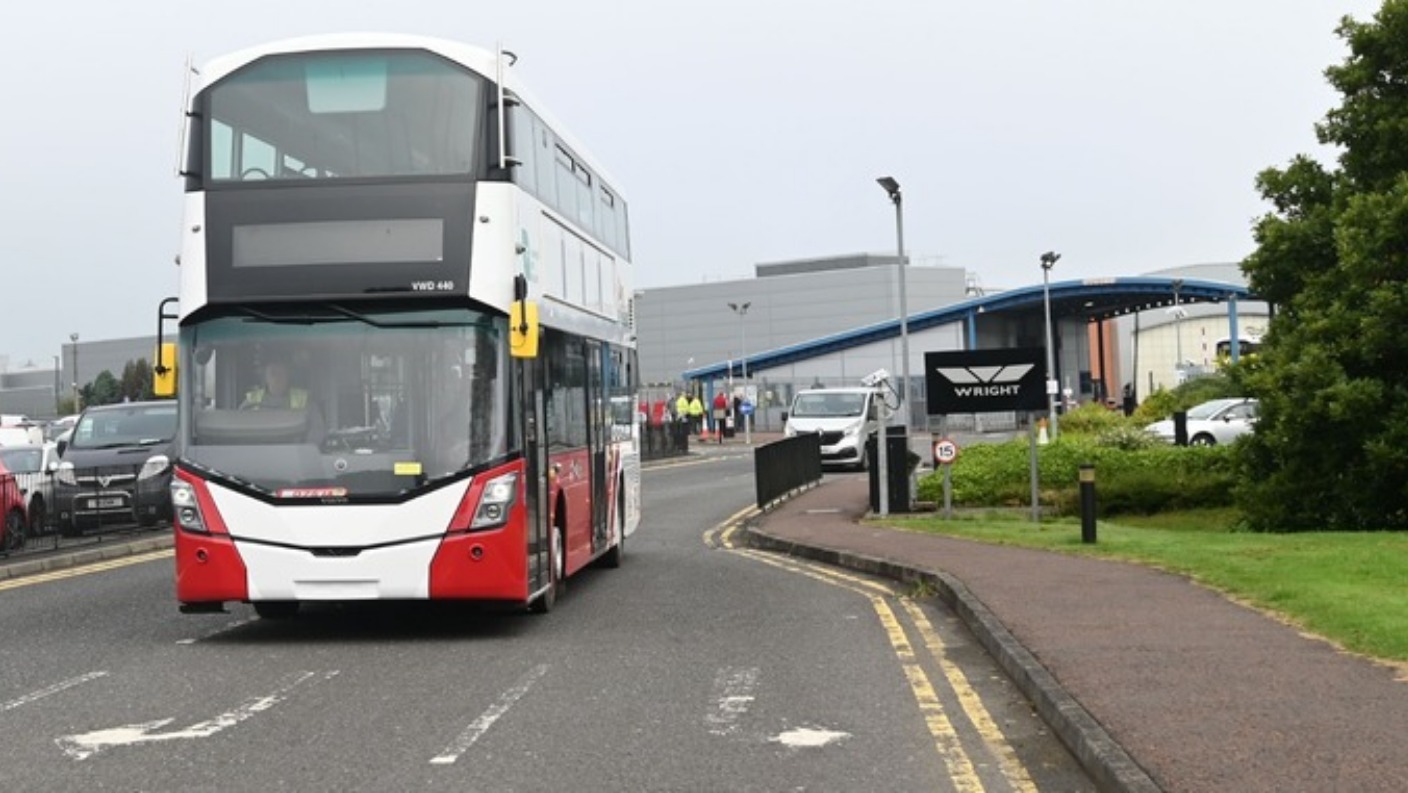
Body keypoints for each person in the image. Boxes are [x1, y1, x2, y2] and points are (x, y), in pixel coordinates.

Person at [241, 356, 324, 443]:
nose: (277, 378)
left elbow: (318, 429)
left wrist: (304, 449)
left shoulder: (304, 401)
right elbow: (239, 429)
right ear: (265, 378)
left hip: (293, 453)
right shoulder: (251, 402)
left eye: (281, 374)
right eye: (273, 373)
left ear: (288, 377)